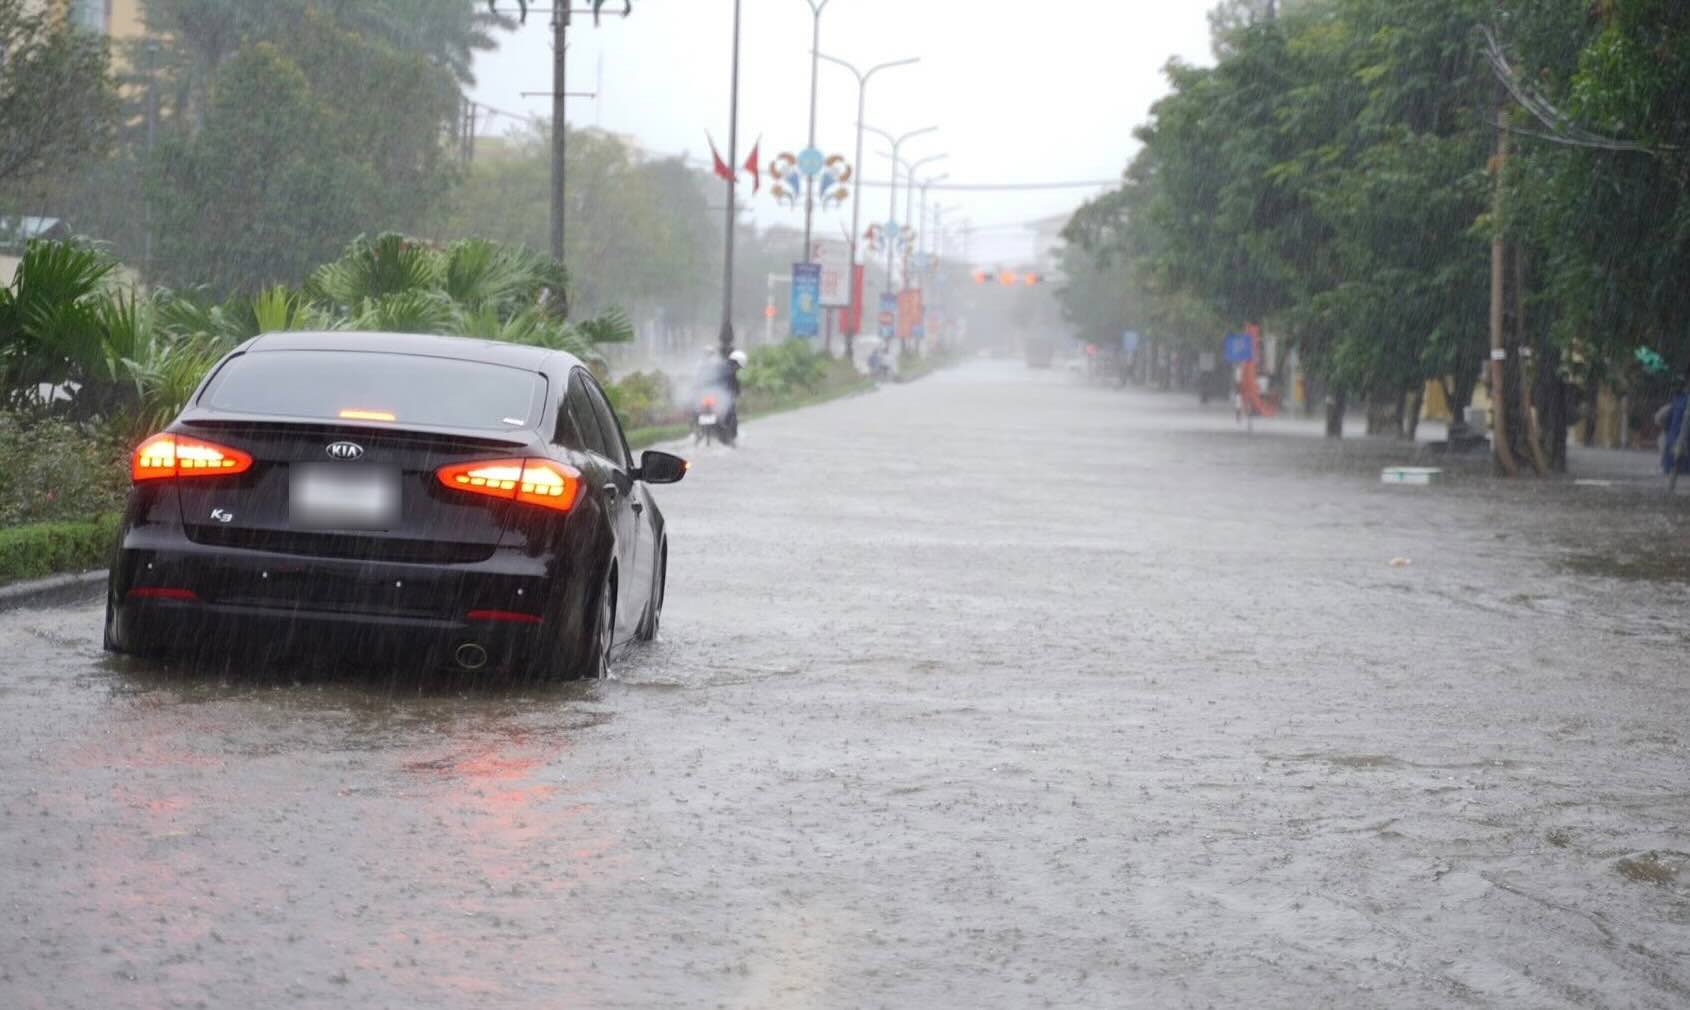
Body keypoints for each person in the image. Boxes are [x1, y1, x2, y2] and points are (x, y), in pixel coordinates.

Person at [1655, 369, 1690, 474]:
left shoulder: (1686, 399)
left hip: (1682, 435)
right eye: (1674, 385)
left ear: (1682, 386)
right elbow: (1668, 417)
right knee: (1669, 463)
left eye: (1677, 385)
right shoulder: (1675, 399)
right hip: (1672, 434)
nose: (1674, 387)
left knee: (1681, 462)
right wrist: (1665, 428)